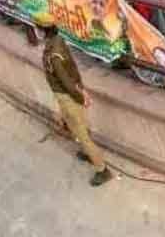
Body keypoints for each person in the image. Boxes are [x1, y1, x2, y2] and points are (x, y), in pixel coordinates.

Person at [34, 12, 112, 186]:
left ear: (42, 30)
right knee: (81, 125)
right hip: (73, 91)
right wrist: (81, 89)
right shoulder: (58, 42)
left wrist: (80, 96)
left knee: (80, 133)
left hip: (67, 96)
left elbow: (65, 82)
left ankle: (102, 169)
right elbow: (73, 70)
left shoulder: (53, 55)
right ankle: (88, 152)